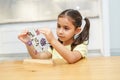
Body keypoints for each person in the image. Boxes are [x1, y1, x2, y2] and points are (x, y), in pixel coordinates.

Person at [18, 9, 90, 64]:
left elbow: (72, 58)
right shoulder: (54, 46)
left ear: (77, 30)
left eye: (66, 28)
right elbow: (38, 57)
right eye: (58, 26)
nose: (60, 31)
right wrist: (28, 42)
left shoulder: (81, 45)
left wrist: (52, 40)